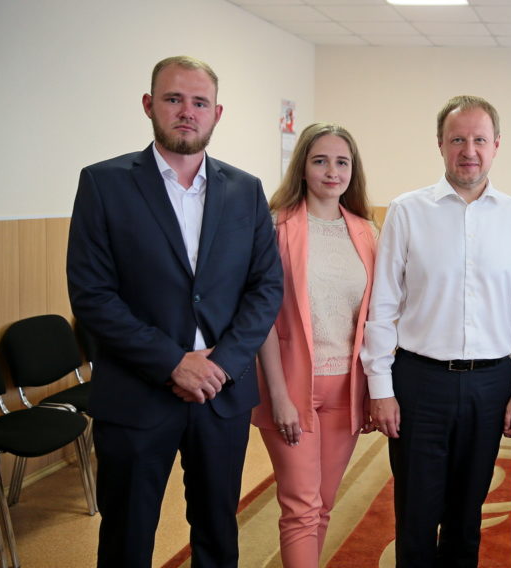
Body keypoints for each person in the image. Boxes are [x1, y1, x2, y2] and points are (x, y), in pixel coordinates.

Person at [66, 56, 283, 568]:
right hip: (136, 394)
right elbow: (92, 294)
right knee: (127, 537)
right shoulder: (104, 183)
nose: (188, 112)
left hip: (222, 395)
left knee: (217, 533)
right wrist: (173, 362)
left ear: (217, 113)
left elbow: (265, 287)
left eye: (200, 102)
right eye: (173, 99)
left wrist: (220, 364)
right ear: (149, 105)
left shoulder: (246, 190)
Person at [361, 95, 511, 567]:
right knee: (416, 515)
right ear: (440, 145)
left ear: (496, 144)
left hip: (490, 385)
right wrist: (380, 388)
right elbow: (382, 305)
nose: (469, 150)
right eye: (457, 139)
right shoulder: (406, 211)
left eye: (480, 139)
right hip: (419, 382)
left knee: (467, 517)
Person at [250, 123, 377, 567]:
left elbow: (374, 318)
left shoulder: (366, 231)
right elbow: (261, 317)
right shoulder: (275, 226)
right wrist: (278, 395)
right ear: (302, 167)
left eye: (342, 162)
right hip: (290, 386)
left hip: (346, 389)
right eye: (320, 160)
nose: (331, 171)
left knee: (322, 504)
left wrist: (373, 391)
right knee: (301, 507)